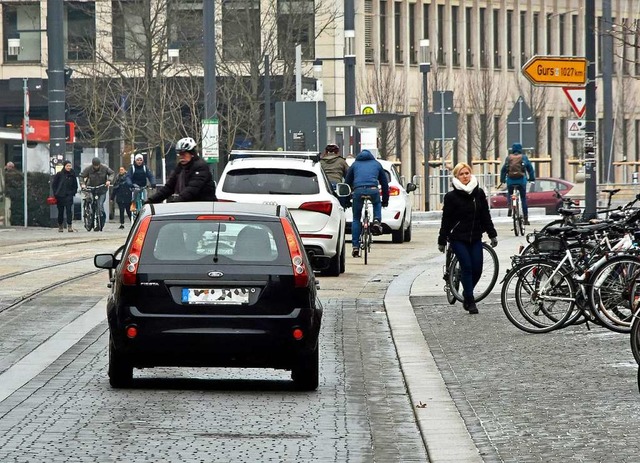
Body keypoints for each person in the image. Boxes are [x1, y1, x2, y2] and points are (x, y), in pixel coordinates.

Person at [438, 162, 498, 314]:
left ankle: (466, 291)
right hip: (458, 238)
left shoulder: (479, 193)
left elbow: (485, 215)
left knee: (477, 268)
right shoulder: (451, 197)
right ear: (456, 177)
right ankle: (470, 301)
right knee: (467, 267)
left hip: (475, 236)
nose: (465, 176)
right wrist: (442, 239)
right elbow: (446, 219)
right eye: (461, 174)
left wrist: (492, 233)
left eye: (467, 173)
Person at [345, 149, 389, 258]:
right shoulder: (377, 164)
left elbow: (346, 183)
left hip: (358, 191)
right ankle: (376, 221)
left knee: (356, 218)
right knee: (377, 203)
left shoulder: (355, 165)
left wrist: (346, 200)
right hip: (373, 190)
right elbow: (384, 184)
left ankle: (355, 246)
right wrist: (385, 201)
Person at [146, 137, 217, 204]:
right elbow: (168, 188)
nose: (181, 157)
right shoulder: (180, 167)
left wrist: (176, 202)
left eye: (184, 154)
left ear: (192, 154)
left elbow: (191, 190)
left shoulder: (200, 166)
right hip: (189, 206)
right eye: (179, 154)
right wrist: (150, 201)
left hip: (204, 207)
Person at [500, 143, 535, 225]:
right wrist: (531, 178)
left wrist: (502, 180)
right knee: (523, 199)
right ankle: (526, 219)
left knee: (510, 193)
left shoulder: (509, 158)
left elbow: (503, 170)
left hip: (510, 181)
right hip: (521, 181)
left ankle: (510, 207)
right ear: (520, 149)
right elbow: (530, 169)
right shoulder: (524, 157)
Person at [80, 157, 114, 231]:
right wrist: (83, 184)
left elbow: (112, 173)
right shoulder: (88, 169)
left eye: (97, 165)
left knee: (100, 206)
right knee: (91, 204)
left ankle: (101, 223)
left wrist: (109, 180)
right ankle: (90, 218)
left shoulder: (105, 168)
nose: (96, 167)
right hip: (91, 188)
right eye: (95, 166)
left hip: (101, 189)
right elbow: (81, 176)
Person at [51, 161, 78, 232]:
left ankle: (69, 225)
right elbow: (54, 184)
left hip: (69, 195)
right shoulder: (59, 174)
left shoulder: (72, 174)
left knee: (69, 211)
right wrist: (55, 193)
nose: (69, 167)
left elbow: (75, 184)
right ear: (64, 166)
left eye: (70, 166)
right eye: (67, 166)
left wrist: (73, 192)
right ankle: (60, 225)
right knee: (60, 211)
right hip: (60, 196)